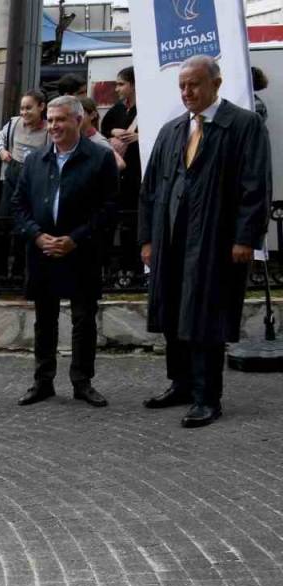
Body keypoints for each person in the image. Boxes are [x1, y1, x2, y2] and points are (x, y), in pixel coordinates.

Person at [139, 55, 272, 429]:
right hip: (171, 239)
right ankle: (180, 384)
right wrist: (147, 238)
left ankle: (206, 396)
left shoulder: (243, 125)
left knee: (205, 316)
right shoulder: (172, 130)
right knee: (172, 312)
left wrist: (245, 238)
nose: (187, 92)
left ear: (216, 83)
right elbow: (150, 190)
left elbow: (255, 186)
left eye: (194, 84)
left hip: (215, 239)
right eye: (182, 86)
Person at [11, 96, 118, 408]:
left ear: (78, 121)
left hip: (82, 252)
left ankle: (82, 382)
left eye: (61, 119)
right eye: (51, 120)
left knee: (83, 320)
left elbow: (109, 208)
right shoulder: (35, 160)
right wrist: (37, 236)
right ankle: (42, 381)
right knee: (45, 320)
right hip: (42, 252)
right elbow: (18, 205)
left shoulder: (100, 158)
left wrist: (75, 238)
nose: (54, 126)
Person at [0, 90, 50, 283]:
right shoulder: (13, 123)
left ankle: (19, 271)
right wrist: (2, 151)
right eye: (22, 108)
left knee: (24, 225)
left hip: (34, 179)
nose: (24, 112)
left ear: (41, 107)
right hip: (12, 174)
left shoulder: (48, 130)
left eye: (29, 108)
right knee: (3, 222)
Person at [102, 67, 143, 279]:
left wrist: (139, 137)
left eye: (121, 84)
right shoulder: (117, 110)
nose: (117, 89)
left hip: (137, 175)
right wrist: (113, 132)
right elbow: (103, 129)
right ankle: (114, 269)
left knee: (134, 223)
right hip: (117, 177)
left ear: (133, 85)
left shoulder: (146, 108)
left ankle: (135, 269)